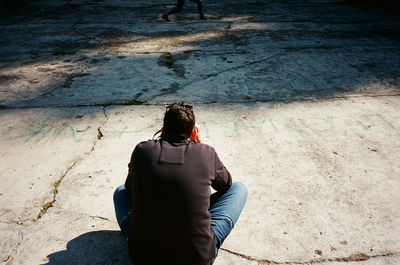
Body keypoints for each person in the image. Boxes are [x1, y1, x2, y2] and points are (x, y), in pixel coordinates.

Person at [113, 102, 247, 265]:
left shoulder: (142, 150)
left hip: (143, 257)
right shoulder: (206, 153)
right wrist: (199, 143)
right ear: (193, 133)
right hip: (196, 258)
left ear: (163, 130)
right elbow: (226, 184)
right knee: (239, 189)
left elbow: (128, 189)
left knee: (119, 193)